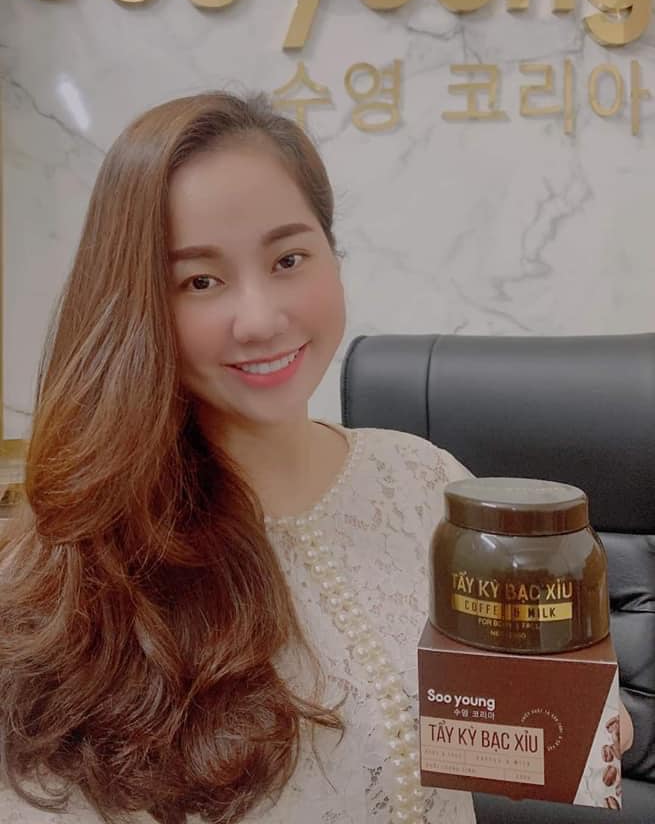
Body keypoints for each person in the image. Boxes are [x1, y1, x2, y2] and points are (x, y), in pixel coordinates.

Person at [0, 92, 632, 824]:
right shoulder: (76, 567)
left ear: (332, 255)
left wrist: (583, 723)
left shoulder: (426, 482)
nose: (261, 319)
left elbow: (509, 724)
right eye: (200, 281)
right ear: (138, 304)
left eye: (288, 259)